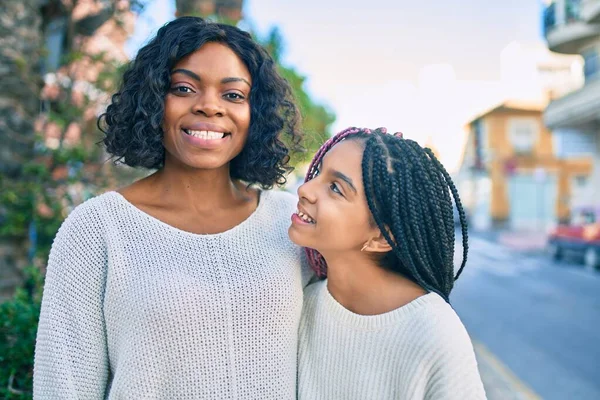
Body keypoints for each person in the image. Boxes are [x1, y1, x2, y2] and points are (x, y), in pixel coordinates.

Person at [34, 16, 312, 399]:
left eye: (233, 95)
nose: (209, 107)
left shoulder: (290, 220)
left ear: (256, 115)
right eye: (184, 88)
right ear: (153, 101)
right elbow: (63, 387)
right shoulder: (97, 229)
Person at [290, 127, 486, 399]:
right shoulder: (300, 303)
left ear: (382, 237)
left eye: (335, 188)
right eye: (318, 172)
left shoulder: (434, 332)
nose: (305, 189)